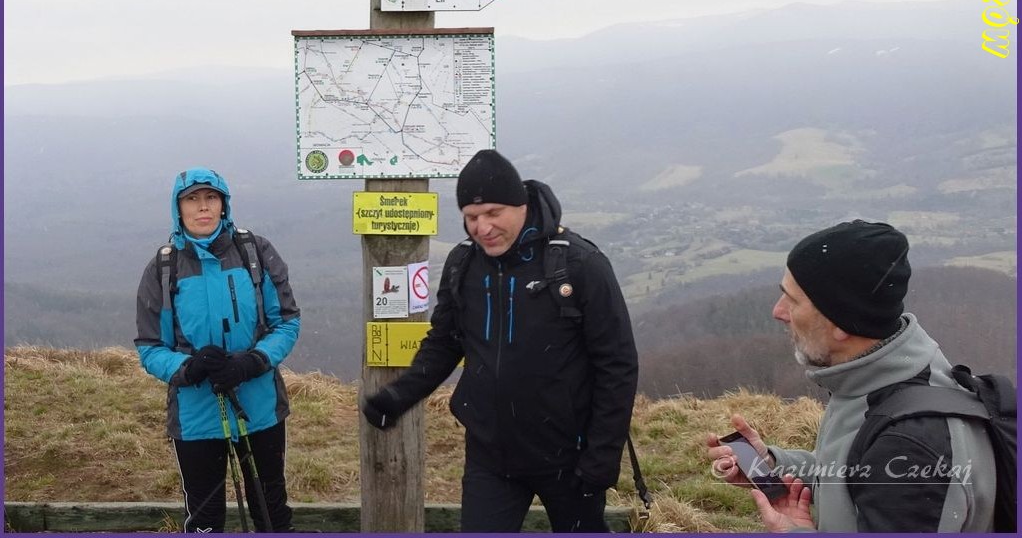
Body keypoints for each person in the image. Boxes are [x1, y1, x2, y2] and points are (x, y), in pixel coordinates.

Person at [361, 149, 639, 532]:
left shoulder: (579, 265)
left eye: (493, 213)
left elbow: (617, 365)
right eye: (471, 217)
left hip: (569, 456)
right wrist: (398, 396)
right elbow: (445, 342)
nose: (483, 227)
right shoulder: (464, 265)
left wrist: (602, 457)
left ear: (521, 205)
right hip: (491, 455)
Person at [705, 219, 996, 532]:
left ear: (840, 322)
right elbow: (859, 472)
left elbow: (891, 472)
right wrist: (772, 466)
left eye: (793, 300)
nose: (779, 311)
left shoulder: (910, 445)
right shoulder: (876, 379)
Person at [134, 168, 301, 532]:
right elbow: (150, 347)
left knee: (271, 511)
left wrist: (252, 362)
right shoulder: (164, 268)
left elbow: (287, 322)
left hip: (260, 406)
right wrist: (189, 368)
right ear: (178, 208)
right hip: (195, 413)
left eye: (211, 197)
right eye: (192, 199)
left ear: (224, 204)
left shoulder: (255, 252)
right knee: (205, 519)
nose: (203, 207)